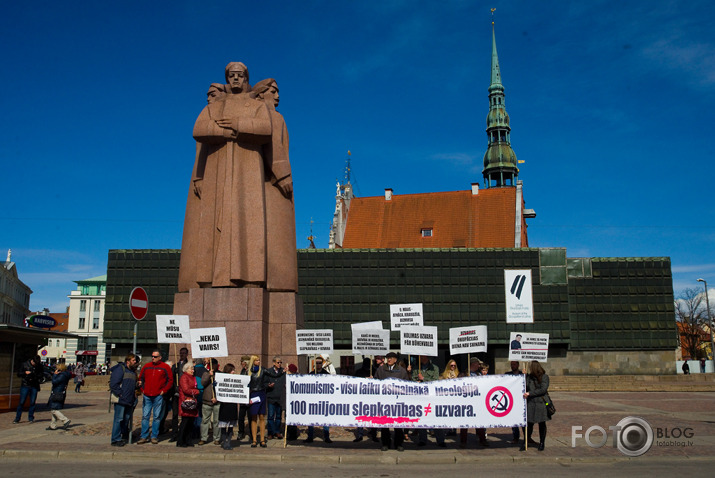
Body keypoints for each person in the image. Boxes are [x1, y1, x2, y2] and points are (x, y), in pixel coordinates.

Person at [178, 62, 289, 292]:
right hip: (218, 172)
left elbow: (265, 129)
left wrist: (237, 125)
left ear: (246, 78)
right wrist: (226, 132)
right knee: (214, 226)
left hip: (248, 174)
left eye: (240, 75)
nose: (236, 79)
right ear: (227, 78)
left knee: (247, 224)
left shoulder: (254, 104)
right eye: (231, 76)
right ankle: (211, 278)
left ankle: (249, 277)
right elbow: (198, 129)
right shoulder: (216, 106)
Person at [375, 352, 410, 451]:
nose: (389, 360)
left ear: (395, 359)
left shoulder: (402, 371)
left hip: (397, 402)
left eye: (391, 358)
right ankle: (385, 443)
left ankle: (399, 443)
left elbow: (406, 384)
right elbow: (376, 383)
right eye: (387, 358)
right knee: (385, 424)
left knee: (398, 424)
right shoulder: (381, 370)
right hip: (385, 401)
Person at [137, 350, 172, 444]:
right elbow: (141, 378)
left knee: (156, 417)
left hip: (158, 395)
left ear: (160, 357)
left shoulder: (165, 367)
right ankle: (144, 436)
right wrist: (142, 390)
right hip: (147, 395)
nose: (153, 358)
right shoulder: (147, 366)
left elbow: (170, 380)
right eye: (152, 356)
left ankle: (154, 436)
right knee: (145, 416)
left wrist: (164, 390)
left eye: (155, 356)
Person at [412, 356, 443, 447]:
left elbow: (435, 380)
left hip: (432, 396)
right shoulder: (416, 368)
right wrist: (417, 380)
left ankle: (440, 440)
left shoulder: (435, 368)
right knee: (422, 418)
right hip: (420, 396)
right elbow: (413, 379)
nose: (421, 358)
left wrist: (423, 379)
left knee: (436, 418)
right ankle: (422, 440)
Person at [109, 353, 139, 446]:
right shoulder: (120, 369)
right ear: (128, 361)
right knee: (118, 419)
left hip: (130, 399)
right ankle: (115, 439)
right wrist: (120, 394)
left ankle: (124, 434)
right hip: (121, 399)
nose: (135, 362)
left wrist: (137, 385)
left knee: (126, 419)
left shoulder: (133, 371)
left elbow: (131, 384)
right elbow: (113, 384)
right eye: (133, 360)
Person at [459, 358, 489, 447]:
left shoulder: (478, 374)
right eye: (478, 364)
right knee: (464, 423)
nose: (479, 366)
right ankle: (463, 441)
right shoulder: (463, 374)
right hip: (466, 401)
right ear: (473, 364)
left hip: (477, 401)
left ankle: (482, 439)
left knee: (479, 422)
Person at [523, 360, 550, 451]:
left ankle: (542, 442)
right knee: (529, 424)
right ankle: (526, 441)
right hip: (531, 403)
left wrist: (530, 393)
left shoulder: (544, 377)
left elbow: (543, 390)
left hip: (540, 403)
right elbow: (525, 386)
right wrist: (525, 376)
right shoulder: (530, 377)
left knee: (542, 424)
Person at [304, 356, 332, 444]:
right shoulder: (311, 374)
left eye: (320, 363)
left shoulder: (326, 374)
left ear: (322, 364)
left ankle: (326, 437)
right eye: (317, 363)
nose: (318, 365)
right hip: (313, 400)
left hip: (323, 400)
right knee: (311, 419)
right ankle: (310, 437)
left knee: (325, 419)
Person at [168, 347, 189, 442]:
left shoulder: (189, 365)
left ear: (187, 354)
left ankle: (184, 433)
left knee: (185, 415)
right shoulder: (176, 365)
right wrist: (174, 371)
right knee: (175, 414)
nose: (182, 355)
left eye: (184, 353)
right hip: (176, 393)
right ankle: (174, 434)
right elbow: (171, 378)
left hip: (185, 394)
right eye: (181, 353)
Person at [14, 355, 43, 423]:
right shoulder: (24, 364)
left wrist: (35, 375)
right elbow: (18, 374)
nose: (34, 365)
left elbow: (41, 375)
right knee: (22, 402)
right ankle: (17, 418)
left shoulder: (39, 366)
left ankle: (31, 417)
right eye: (34, 363)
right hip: (25, 384)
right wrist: (25, 373)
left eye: (36, 364)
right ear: (32, 361)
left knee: (32, 402)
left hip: (34, 385)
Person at [248, 355, 268, 448]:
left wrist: (283, 371)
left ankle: (262, 439)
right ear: (253, 361)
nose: (259, 362)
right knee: (253, 417)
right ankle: (254, 439)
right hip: (253, 394)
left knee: (262, 416)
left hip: (261, 393)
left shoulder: (262, 370)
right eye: (257, 360)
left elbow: (272, 374)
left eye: (259, 360)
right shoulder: (248, 371)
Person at [177, 362, 200, 447]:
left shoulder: (192, 377)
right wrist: (196, 391)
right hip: (186, 402)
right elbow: (186, 389)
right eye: (191, 369)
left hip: (192, 402)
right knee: (185, 422)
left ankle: (188, 440)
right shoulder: (184, 377)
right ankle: (181, 441)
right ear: (186, 369)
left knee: (190, 423)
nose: (193, 370)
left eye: (193, 369)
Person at [217, 363, 239, 450]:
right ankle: (224, 442)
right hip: (224, 406)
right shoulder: (221, 379)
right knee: (223, 426)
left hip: (232, 405)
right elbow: (217, 387)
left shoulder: (235, 379)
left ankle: (228, 442)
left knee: (230, 426)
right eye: (232, 370)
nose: (234, 372)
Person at [198, 358, 220, 445]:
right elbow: (203, 383)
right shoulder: (205, 373)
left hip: (217, 402)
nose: (213, 366)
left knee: (216, 421)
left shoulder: (220, 374)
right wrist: (208, 375)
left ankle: (216, 438)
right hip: (207, 401)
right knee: (205, 421)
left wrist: (217, 398)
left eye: (214, 365)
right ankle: (203, 437)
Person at [265, 356, 286, 439]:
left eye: (281, 362)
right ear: (274, 363)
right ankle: (270, 432)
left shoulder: (283, 371)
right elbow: (265, 382)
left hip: (280, 397)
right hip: (271, 397)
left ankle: (277, 431)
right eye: (278, 362)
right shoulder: (268, 371)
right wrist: (268, 385)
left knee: (278, 416)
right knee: (270, 416)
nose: (279, 364)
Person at [47, 363, 72, 430]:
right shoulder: (65, 374)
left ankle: (65, 420)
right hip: (60, 392)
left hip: (57, 392)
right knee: (55, 408)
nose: (56, 369)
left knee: (53, 409)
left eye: (57, 368)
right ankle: (53, 425)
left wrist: (55, 375)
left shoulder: (62, 375)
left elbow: (54, 382)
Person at [506, 361, 525, 444]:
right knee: (514, 421)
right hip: (512, 400)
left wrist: (525, 375)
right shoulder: (507, 374)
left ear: (518, 365)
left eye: (514, 364)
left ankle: (527, 437)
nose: (512, 366)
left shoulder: (522, 374)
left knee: (524, 420)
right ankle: (516, 437)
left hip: (521, 400)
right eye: (511, 365)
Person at [284, 363, 299, 441]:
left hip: (294, 401)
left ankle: (293, 434)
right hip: (288, 400)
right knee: (287, 417)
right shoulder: (286, 376)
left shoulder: (296, 378)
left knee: (293, 418)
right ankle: (288, 433)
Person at [237, 357, 251, 441]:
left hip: (249, 396)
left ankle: (251, 432)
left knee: (250, 416)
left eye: (242, 362)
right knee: (241, 416)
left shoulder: (250, 371)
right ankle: (241, 431)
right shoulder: (242, 371)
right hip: (243, 397)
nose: (241, 364)